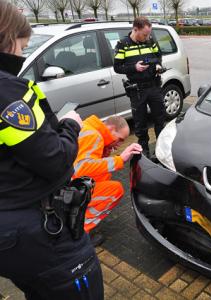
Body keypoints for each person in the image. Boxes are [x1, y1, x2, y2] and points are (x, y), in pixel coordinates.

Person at [0, 1, 104, 299]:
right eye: (22, 47)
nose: (21, 55)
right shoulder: (8, 92)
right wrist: (70, 125)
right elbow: (55, 160)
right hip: (35, 226)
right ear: (8, 38)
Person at [72, 115, 142, 245]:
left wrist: (106, 149)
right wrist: (120, 160)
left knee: (105, 176)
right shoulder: (94, 136)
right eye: (120, 139)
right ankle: (78, 232)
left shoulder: (89, 128)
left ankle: (74, 218)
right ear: (111, 128)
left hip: (62, 183)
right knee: (116, 190)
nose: (119, 144)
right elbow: (81, 168)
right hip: (67, 188)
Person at [113, 16, 165, 158]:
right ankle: (145, 154)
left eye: (149, 34)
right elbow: (117, 67)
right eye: (144, 34)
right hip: (137, 90)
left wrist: (158, 65)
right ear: (135, 29)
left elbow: (158, 56)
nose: (147, 37)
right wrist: (134, 67)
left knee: (160, 119)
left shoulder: (150, 41)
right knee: (140, 124)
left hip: (154, 86)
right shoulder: (123, 44)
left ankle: (161, 150)